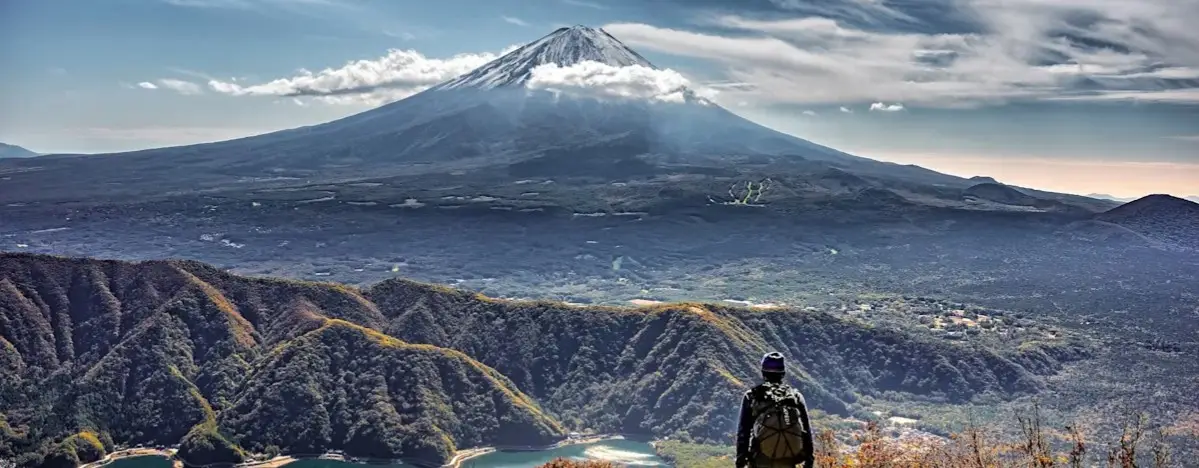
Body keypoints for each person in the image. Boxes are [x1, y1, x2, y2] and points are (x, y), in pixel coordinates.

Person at [735, 352, 815, 468]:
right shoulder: (795, 396)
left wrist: (740, 461)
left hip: (761, 460)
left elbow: (743, 433)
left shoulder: (752, 396)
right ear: (783, 373)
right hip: (789, 459)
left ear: (763, 372)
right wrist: (809, 460)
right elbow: (806, 431)